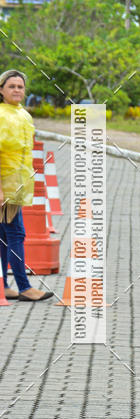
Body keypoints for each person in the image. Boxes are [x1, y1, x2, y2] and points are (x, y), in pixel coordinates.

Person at [0, 69, 52, 302]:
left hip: (18, 186)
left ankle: (5, 286)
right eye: (11, 86)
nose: (17, 90)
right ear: (1, 90)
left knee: (3, 235)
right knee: (16, 234)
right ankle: (24, 287)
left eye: (20, 86)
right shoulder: (1, 115)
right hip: (5, 186)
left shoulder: (23, 115)